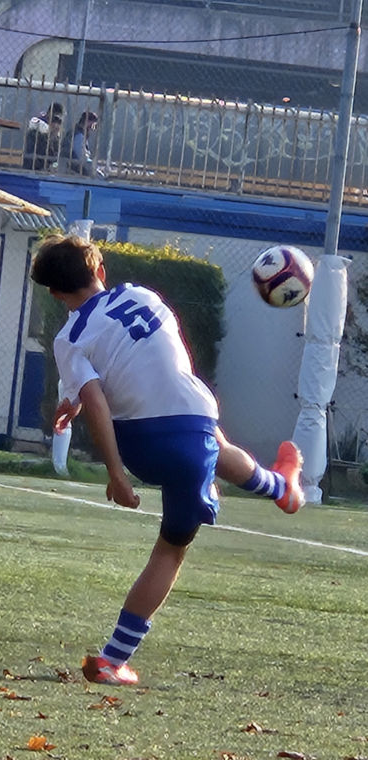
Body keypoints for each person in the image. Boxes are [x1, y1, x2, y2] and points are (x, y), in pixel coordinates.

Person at [30, 234, 304, 686]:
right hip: (190, 429)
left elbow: (96, 397)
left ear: (56, 294)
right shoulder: (144, 296)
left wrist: (116, 471)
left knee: (215, 447)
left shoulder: (70, 337)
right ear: (101, 271)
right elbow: (150, 360)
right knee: (171, 548)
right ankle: (112, 660)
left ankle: (283, 489)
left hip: (140, 445)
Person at [23, 102, 63, 171]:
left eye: (59, 122)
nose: (56, 125)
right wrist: (48, 131)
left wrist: (53, 166)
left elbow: (56, 160)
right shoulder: (36, 128)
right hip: (32, 167)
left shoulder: (56, 139)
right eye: (54, 120)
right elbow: (33, 123)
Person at [61, 111, 99, 176]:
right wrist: (93, 164)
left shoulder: (76, 133)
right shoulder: (78, 135)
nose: (93, 128)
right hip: (71, 169)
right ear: (87, 122)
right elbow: (82, 157)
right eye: (93, 125)